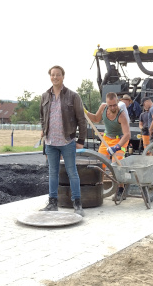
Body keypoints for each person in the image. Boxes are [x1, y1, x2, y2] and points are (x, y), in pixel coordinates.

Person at [39, 65, 87, 216]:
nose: (55, 77)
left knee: (72, 172)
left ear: (63, 76)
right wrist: (43, 129)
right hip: (50, 142)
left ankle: (77, 203)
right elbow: (42, 116)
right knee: (53, 172)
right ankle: (53, 203)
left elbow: (81, 120)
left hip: (67, 141)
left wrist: (81, 140)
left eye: (58, 75)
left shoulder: (73, 96)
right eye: (52, 75)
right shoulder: (45, 96)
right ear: (50, 77)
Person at [86, 92, 131, 201]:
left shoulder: (122, 115)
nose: (112, 107)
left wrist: (116, 147)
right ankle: (99, 188)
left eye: (114, 105)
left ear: (117, 102)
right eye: (110, 105)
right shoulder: (103, 107)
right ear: (106, 103)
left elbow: (127, 134)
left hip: (119, 140)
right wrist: (85, 112)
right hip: (106, 139)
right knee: (101, 164)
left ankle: (120, 189)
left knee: (118, 165)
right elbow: (96, 119)